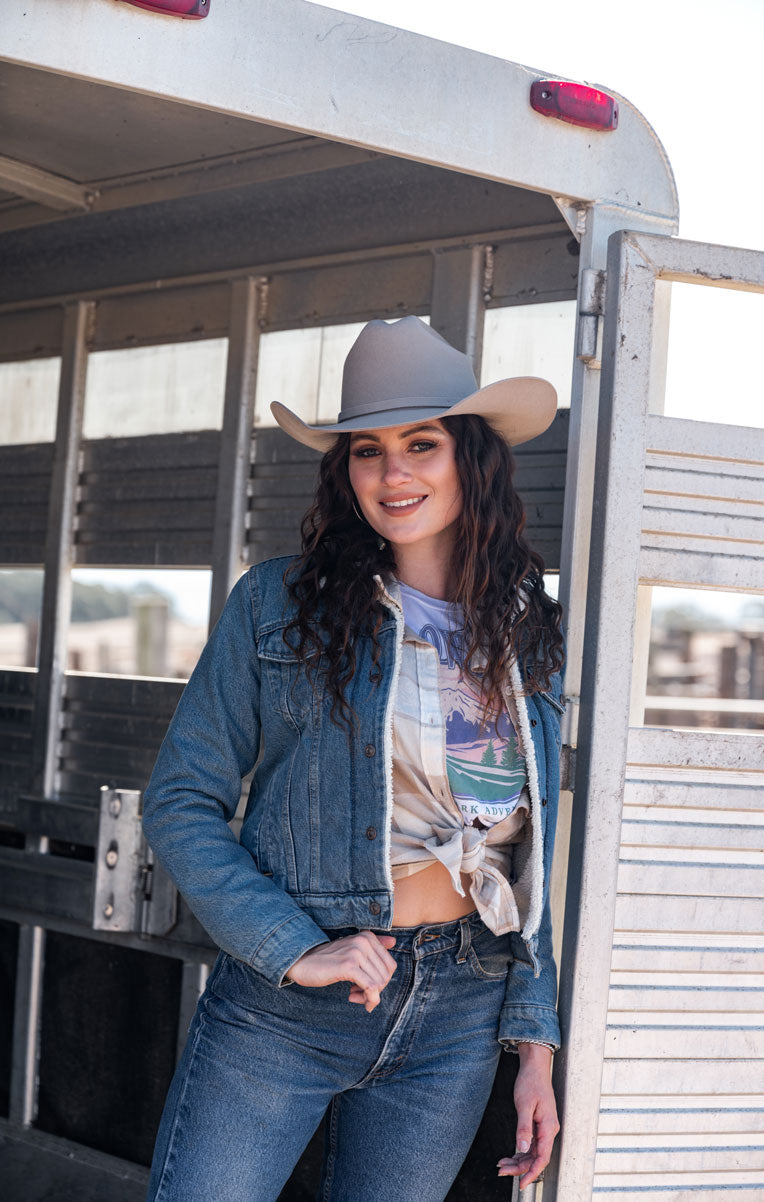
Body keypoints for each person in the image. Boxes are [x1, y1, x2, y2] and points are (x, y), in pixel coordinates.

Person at [142, 315, 567, 1202]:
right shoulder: (277, 605)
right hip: (288, 1009)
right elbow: (181, 799)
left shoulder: (524, 625)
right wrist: (295, 950)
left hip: (459, 1009)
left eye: (421, 444)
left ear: (471, 460)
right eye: (367, 451)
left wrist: (535, 1044)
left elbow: (529, 853)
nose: (394, 472)